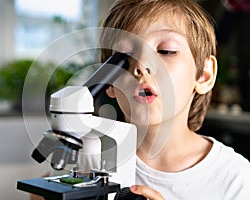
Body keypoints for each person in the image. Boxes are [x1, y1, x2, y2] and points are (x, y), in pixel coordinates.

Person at [99, 0, 250, 199]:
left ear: (204, 75)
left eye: (166, 51)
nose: (141, 65)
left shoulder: (236, 179)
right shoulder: (89, 160)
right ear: (109, 81)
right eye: (125, 55)